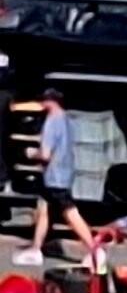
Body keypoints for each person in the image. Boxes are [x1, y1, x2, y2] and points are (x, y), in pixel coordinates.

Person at [21, 88, 85, 265]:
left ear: (51, 101)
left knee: (70, 213)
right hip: (64, 172)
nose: (41, 103)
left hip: (54, 176)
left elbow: (45, 154)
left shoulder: (51, 122)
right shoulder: (66, 119)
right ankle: (35, 248)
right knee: (43, 208)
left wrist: (30, 153)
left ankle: (94, 248)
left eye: (43, 99)